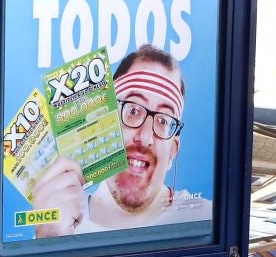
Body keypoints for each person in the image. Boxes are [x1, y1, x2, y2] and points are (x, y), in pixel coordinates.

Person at [27, 45, 210, 237]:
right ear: (105, 121)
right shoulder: (56, 223)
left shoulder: (206, 220)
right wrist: (48, 241)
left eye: (163, 120)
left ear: (173, 151)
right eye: (133, 110)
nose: (145, 137)